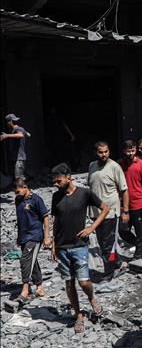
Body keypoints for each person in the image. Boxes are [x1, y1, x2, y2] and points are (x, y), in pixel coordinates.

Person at [50, 162, 109, 333]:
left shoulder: (84, 193)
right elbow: (56, 221)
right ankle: (78, 315)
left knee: (84, 282)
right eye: (54, 182)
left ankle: (92, 298)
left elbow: (105, 208)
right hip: (62, 247)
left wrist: (92, 227)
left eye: (59, 181)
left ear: (69, 178)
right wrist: (53, 245)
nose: (56, 184)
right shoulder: (56, 197)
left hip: (79, 245)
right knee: (69, 283)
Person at [87, 141, 129, 275]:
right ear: (96, 153)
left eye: (106, 151)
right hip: (96, 212)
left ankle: (109, 272)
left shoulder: (114, 167)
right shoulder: (92, 166)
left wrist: (125, 210)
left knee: (107, 245)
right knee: (102, 242)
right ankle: (118, 263)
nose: (104, 154)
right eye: (100, 152)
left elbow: (124, 190)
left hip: (110, 212)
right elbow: (91, 188)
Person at [14, 178, 50, 304]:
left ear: (25, 187)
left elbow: (45, 217)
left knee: (25, 260)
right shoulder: (18, 200)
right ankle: (39, 287)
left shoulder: (36, 200)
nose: (16, 194)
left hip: (35, 235)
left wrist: (47, 236)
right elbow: (21, 219)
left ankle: (25, 290)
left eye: (18, 191)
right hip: (24, 236)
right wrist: (19, 237)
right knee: (32, 261)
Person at [118, 140, 142, 260]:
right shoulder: (120, 165)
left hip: (139, 204)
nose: (131, 153)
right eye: (128, 151)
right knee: (122, 230)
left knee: (141, 232)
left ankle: (138, 258)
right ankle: (138, 244)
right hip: (125, 205)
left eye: (133, 150)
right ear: (124, 151)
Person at [1, 114, 29, 179]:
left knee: (19, 179)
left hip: (19, 158)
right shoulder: (19, 128)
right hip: (18, 157)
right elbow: (28, 134)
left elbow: (20, 135)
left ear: (10, 122)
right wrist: (26, 132)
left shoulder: (17, 128)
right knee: (18, 178)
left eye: (7, 122)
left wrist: (6, 135)